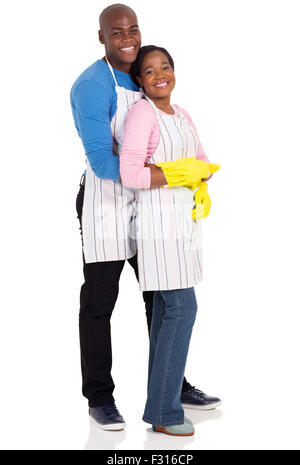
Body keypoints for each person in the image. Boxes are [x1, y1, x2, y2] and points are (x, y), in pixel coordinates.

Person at [70, 4, 220, 432]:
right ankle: (99, 397)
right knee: (101, 302)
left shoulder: (143, 74)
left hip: (151, 207)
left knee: (163, 297)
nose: (128, 39)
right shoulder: (92, 86)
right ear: (102, 37)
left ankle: (171, 386)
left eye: (133, 30)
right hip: (105, 205)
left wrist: (186, 177)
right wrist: (166, 173)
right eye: (117, 33)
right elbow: (103, 161)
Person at [119, 45, 221, 436]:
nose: (160, 74)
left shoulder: (181, 114)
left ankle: (161, 402)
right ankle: (163, 410)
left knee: (166, 313)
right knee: (182, 308)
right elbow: (130, 172)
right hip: (158, 224)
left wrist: (200, 175)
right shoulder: (142, 113)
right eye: (149, 70)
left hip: (183, 222)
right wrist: (179, 174)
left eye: (165, 67)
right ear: (140, 81)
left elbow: (202, 159)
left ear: (173, 72)